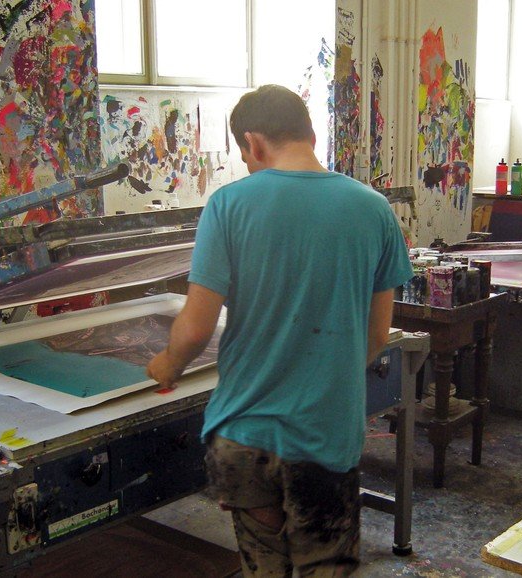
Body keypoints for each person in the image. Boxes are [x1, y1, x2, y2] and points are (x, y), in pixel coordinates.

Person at [147, 84, 413, 577]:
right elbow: (378, 333)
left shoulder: (227, 206)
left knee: (263, 567)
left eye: (246, 157)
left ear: (253, 143)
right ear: (311, 134)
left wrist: (167, 365)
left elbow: (194, 327)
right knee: (325, 566)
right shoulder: (374, 210)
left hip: (245, 437)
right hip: (324, 435)